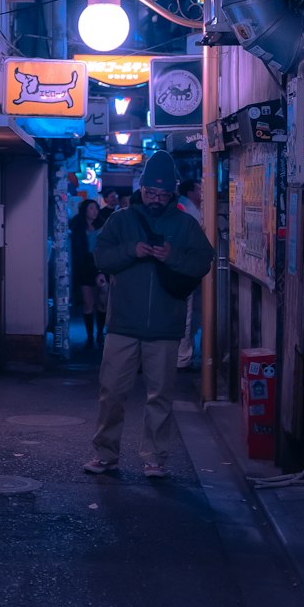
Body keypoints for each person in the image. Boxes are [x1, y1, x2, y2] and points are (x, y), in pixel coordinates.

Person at [83, 151, 214, 478]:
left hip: (166, 327)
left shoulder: (185, 225)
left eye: (163, 194)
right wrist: (132, 250)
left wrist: (172, 257)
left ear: (172, 193)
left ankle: (155, 458)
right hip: (122, 324)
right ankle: (105, 453)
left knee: (160, 397)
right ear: (141, 189)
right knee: (111, 391)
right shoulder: (121, 221)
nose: (156, 199)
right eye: (150, 193)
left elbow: (203, 262)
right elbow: (101, 258)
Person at [176, 178, 204, 369]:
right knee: (186, 316)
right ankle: (182, 358)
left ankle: (185, 355)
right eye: (199, 188)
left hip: (188, 271)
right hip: (186, 271)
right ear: (190, 192)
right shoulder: (186, 211)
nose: (202, 191)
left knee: (191, 316)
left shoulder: (190, 209)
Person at [69, 198, 103, 348]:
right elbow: (76, 249)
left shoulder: (102, 224)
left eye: (96, 208)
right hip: (84, 267)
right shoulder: (77, 225)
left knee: (102, 302)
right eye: (91, 208)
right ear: (85, 210)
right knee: (88, 302)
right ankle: (90, 336)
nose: (94, 211)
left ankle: (100, 333)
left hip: (101, 267)